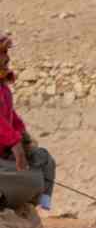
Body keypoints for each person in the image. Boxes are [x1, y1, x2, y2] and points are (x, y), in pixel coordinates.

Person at [0, 33, 55, 211]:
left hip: (4, 152)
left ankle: (42, 202)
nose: (7, 57)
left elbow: (11, 117)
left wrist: (22, 139)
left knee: (43, 159)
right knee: (33, 180)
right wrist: (14, 144)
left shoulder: (3, 87)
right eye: (3, 53)